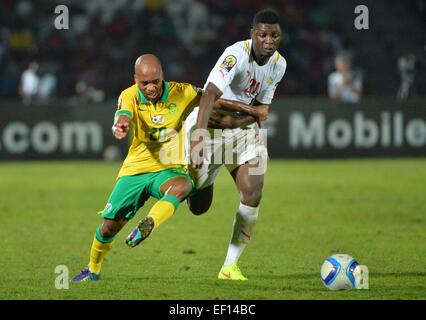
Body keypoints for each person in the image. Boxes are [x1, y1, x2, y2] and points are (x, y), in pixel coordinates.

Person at [71, 54, 265, 282]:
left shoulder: (182, 92)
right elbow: (123, 115)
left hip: (169, 167)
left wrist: (253, 110)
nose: (151, 87)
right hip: (136, 169)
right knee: (108, 229)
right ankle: (93, 270)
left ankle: (150, 223)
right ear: (135, 80)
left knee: (184, 185)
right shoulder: (129, 95)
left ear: (163, 76)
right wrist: (121, 125)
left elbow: (214, 100)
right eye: (145, 83)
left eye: (156, 81)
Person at [188, 9, 287, 280]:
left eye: (275, 35)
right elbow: (210, 94)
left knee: (253, 192)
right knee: (199, 206)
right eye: (263, 34)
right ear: (253, 34)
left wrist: (254, 118)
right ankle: (199, 181)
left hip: (244, 135)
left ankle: (230, 266)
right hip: (210, 131)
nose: (269, 40)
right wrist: (198, 136)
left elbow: (261, 108)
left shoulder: (280, 64)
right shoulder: (235, 55)